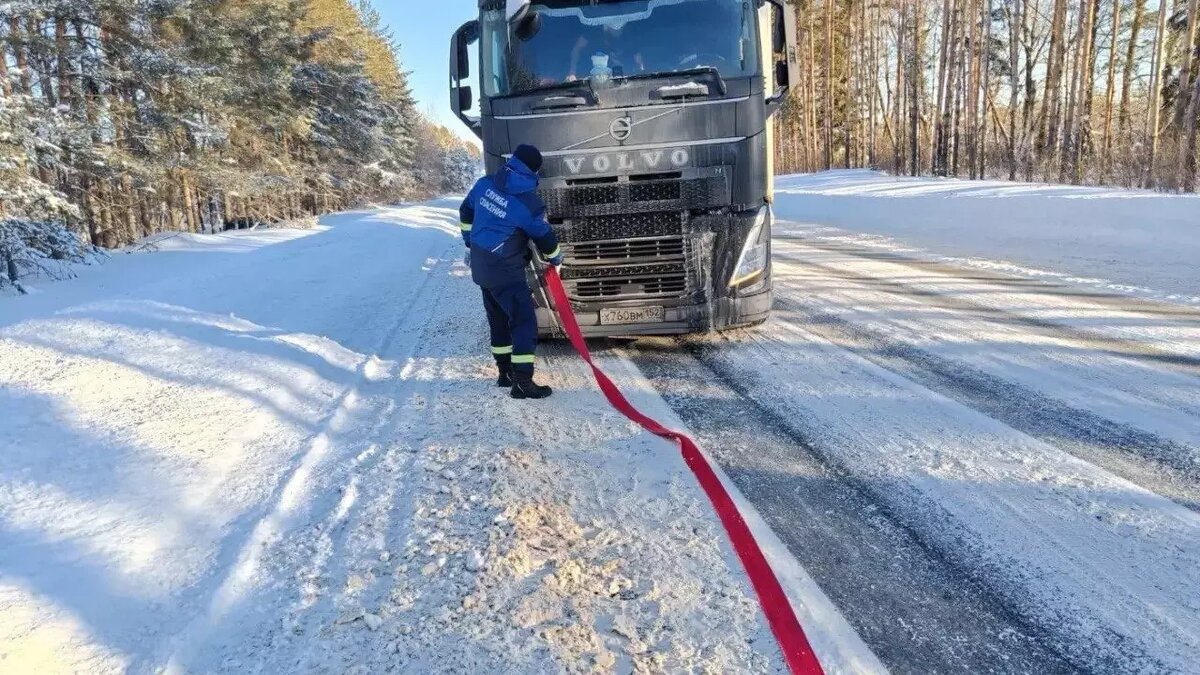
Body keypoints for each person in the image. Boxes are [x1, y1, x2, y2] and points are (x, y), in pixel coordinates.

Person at [458, 145, 563, 400]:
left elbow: (465, 211)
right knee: (524, 323)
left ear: (512, 162)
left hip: (482, 267)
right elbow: (544, 236)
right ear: (534, 171)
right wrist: (556, 259)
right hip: (506, 271)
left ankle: (504, 374)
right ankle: (523, 383)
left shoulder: (485, 184)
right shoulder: (528, 204)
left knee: (498, 320)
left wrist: (469, 241)